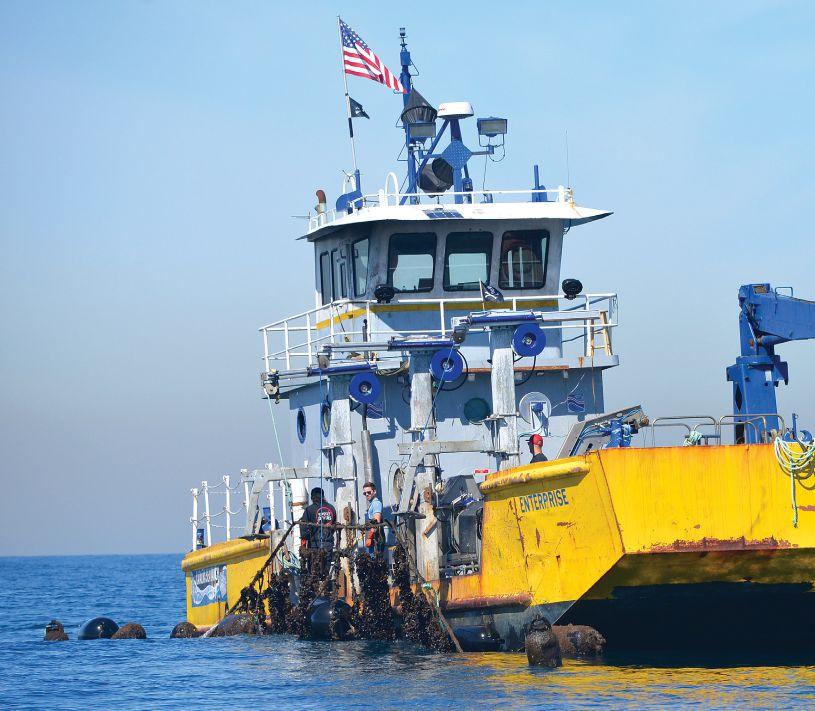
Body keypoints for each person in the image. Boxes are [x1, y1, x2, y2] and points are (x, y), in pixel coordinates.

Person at [362, 482, 385, 554]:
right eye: (365, 493)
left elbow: (376, 522)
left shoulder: (376, 503)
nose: (366, 494)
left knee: (375, 559)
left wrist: (369, 538)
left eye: (369, 492)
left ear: (374, 492)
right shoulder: (372, 504)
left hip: (376, 539)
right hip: (373, 539)